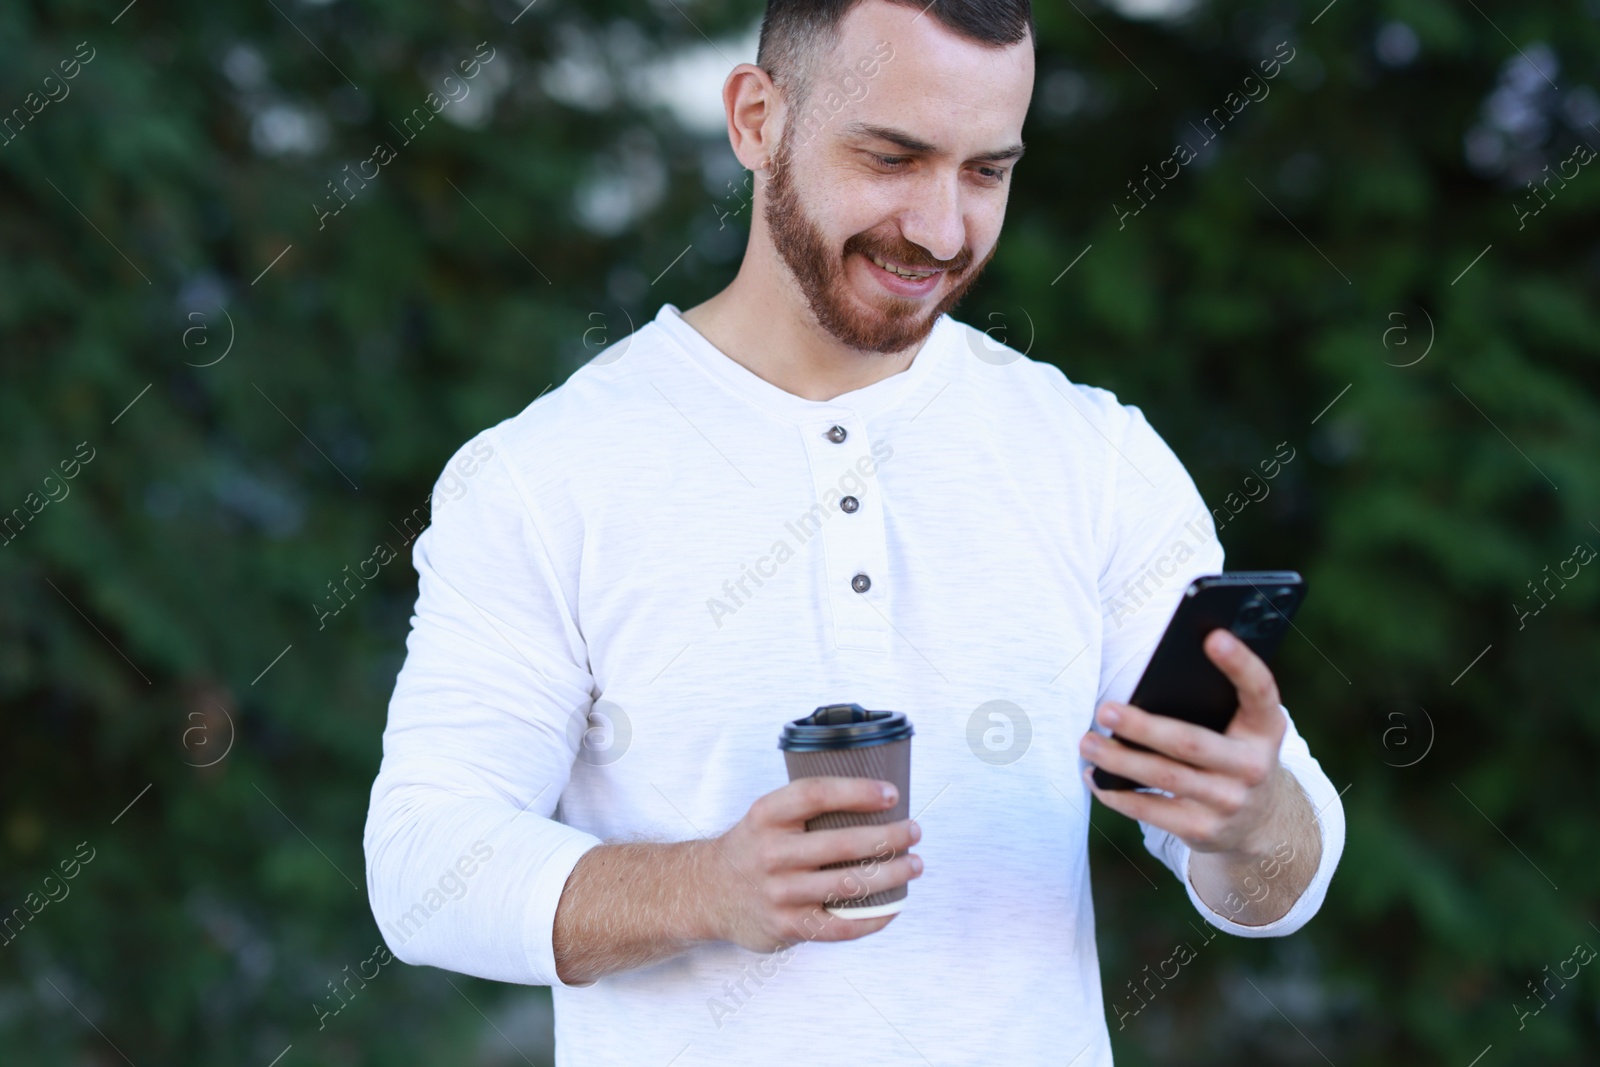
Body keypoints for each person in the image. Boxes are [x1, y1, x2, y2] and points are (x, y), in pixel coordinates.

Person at [362, 0, 1346, 1062]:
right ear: (754, 119)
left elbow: (1278, 883)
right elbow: (424, 867)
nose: (939, 229)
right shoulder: (542, 474)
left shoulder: (1095, 458)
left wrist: (1248, 817)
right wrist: (708, 886)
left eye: (985, 172)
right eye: (891, 157)